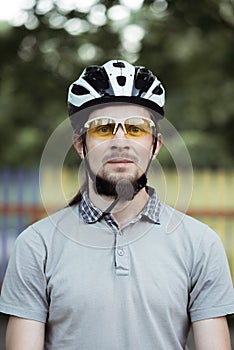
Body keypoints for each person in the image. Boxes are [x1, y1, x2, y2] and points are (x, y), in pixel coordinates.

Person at [0, 59, 233, 350]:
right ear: (79, 144)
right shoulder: (37, 245)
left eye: (136, 129)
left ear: (155, 145)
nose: (120, 141)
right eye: (102, 128)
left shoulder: (201, 244)